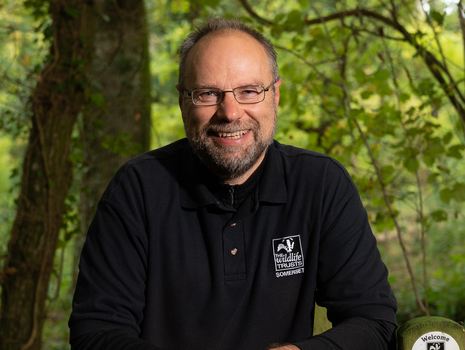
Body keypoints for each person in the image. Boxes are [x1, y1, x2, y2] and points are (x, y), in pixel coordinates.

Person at [69, 17, 397, 350]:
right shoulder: (136, 191)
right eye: (208, 93)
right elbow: (96, 333)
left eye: (249, 91)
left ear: (275, 95)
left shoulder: (321, 185)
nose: (230, 112)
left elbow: (373, 321)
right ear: (183, 99)